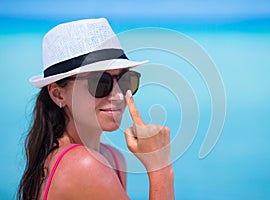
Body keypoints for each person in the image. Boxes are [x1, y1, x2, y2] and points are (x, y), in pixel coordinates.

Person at [18, 18, 174, 200]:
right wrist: (160, 167)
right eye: (100, 82)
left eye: (125, 80)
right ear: (58, 94)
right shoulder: (84, 165)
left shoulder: (111, 158)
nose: (118, 95)